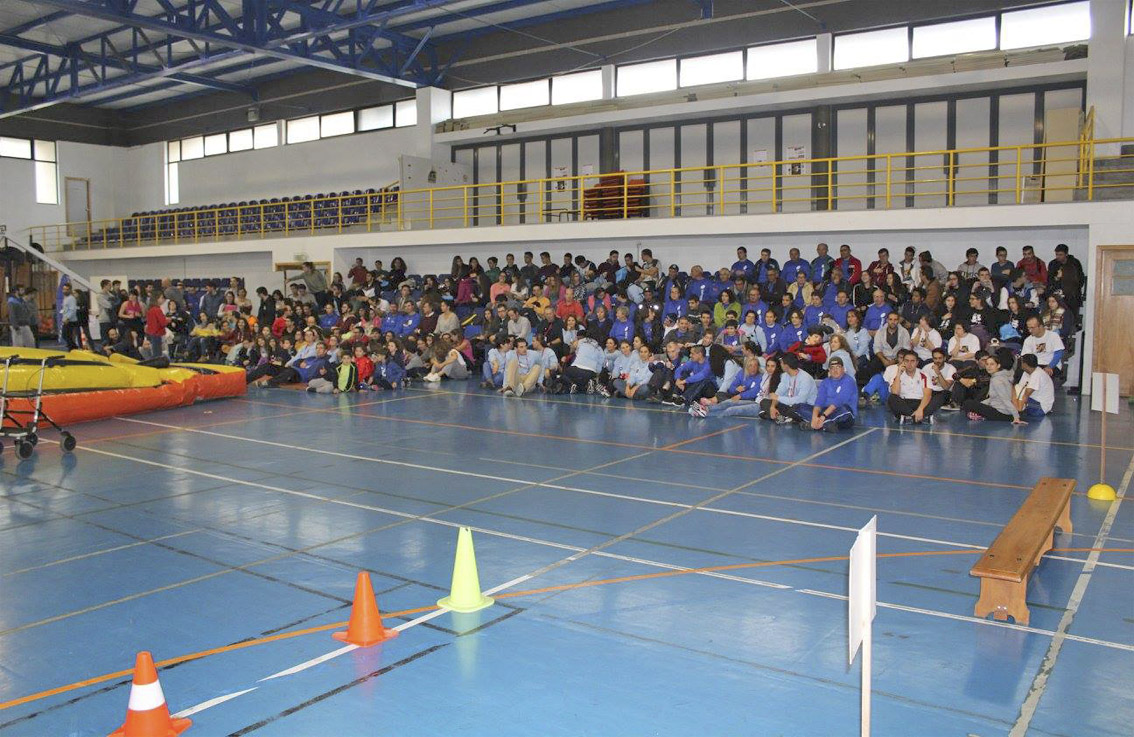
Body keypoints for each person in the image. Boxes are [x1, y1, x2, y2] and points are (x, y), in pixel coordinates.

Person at [798, 356, 857, 431]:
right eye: (832, 368)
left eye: (838, 367)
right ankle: (824, 425)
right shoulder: (825, 382)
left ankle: (816, 424)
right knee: (799, 407)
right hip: (824, 411)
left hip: (839, 411)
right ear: (829, 370)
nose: (835, 370)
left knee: (845, 410)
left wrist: (823, 416)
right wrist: (814, 417)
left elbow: (839, 401)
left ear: (843, 369)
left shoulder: (848, 381)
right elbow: (819, 401)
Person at [964, 350, 1022, 422]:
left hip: (1002, 413)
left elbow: (1005, 399)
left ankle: (979, 415)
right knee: (974, 404)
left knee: (967, 403)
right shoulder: (999, 376)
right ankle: (978, 414)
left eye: (992, 364)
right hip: (1000, 409)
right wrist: (980, 404)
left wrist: (1016, 417)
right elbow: (992, 398)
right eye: (987, 364)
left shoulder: (997, 380)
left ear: (998, 365)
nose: (989, 367)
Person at [758, 353, 816, 424]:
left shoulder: (805, 378)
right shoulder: (785, 375)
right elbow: (779, 392)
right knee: (764, 402)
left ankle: (777, 416)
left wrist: (778, 398)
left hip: (805, 407)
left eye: (781, 363)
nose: (780, 365)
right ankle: (784, 418)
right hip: (790, 405)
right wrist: (772, 407)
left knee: (796, 408)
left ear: (786, 366)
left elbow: (801, 400)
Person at [886, 351, 934, 424]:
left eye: (912, 361)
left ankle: (909, 417)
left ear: (917, 362)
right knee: (892, 398)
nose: (909, 364)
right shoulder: (898, 375)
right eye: (907, 361)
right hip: (904, 403)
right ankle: (915, 416)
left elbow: (927, 395)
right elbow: (895, 392)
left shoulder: (924, 375)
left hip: (920, 402)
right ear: (903, 362)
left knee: (933, 400)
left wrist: (920, 409)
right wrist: (899, 373)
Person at [1021, 315, 1065, 379]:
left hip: (1051, 365)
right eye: (1028, 328)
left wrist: (1050, 366)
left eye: (1032, 328)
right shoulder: (1028, 340)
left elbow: (1058, 354)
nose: (1030, 330)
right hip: (1035, 367)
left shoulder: (1053, 336)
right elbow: (1026, 358)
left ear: (1041, 326)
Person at [1014, 353, 1054, 420]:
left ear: (1025, 364)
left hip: (1040, 407)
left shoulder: (1037, 374)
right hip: (1034, 402)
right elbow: (1019, 388)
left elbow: (1026, 394)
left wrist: (1017, 408)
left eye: (1021, 362)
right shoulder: (1027, 372)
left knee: (1011, 400)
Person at [60, 283, 81, 350]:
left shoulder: (71, 298)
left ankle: (73, 348)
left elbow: (72, 310)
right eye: (64, 289)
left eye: (67, 289)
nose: (65, 291)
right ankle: (72, 347)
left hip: (70, 321)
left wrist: (67, 318)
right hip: (67, 320)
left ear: (70, 290)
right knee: (66, 336)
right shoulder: (66, 298)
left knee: (67, 336)